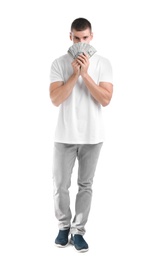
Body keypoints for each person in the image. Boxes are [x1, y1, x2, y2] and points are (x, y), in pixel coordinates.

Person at [49, 17, 113, 252]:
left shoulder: (103, 64)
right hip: (64, 135)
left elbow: (106, 99)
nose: (81, 42)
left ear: (91, 37)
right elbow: (55, 99)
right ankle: (63, 226)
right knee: (60, 185)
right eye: (77, 38)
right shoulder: (58, 63)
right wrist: (74, 75)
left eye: (85, 38)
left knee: (85, 185)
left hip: (92, 137)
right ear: (70, 37)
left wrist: (85, 74)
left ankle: (78, 231)